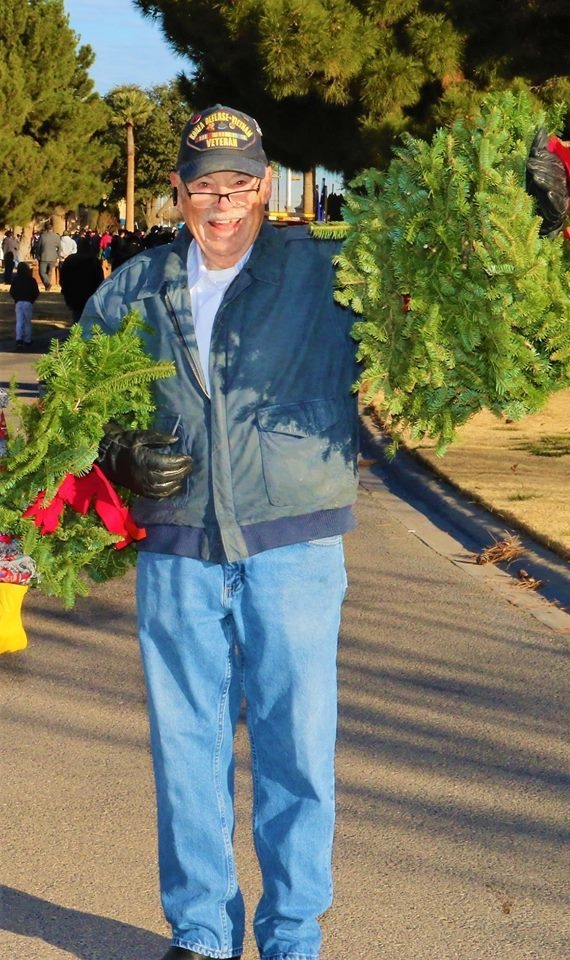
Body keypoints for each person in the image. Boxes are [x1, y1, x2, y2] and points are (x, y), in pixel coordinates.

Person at [80, 103, 359, 960]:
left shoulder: (325, 274)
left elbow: (443, 276)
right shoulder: (133, 288)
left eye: (241, 184)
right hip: (179, 553)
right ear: (178, 193)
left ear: (266, 185)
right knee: (187, 751)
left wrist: (534, 211)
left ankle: (292, 938)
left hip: (294, 547)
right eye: (207, 187)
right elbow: (76, 400)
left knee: (297, 750)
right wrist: (118, 450)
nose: (224, 204)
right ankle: (200, 934)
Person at [9, 261, 39, 347]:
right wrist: (32, 300)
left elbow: (12, 291)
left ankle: (19, 339)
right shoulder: (31, 280)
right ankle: (28, 339)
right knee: (27, 322)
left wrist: (16, 299)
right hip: (28, 302)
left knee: (19, 322)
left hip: (18, 302)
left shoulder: (15, 280)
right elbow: (36, 292)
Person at [35, 222, 61, 291]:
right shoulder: (57, 236)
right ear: (52, 229)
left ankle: (47, 284)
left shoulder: (43, 236)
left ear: (46, 229)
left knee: (42, 272)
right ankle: (47, 286)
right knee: (49, 272)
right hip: (53, 257)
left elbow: (38, 247)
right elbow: (59, 248)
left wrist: (37, 256)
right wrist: (57, 256)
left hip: (44, 256)